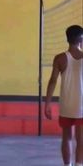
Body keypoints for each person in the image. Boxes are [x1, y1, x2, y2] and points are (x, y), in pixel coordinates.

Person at [45, 25, 83, 166]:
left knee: (66, 138)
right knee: (81, 140)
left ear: (67, 39)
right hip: (81, 106)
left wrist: (47, 103)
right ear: (81, 39)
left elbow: (52, 81)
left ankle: (67, 165)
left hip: (66, 105)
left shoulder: (60, 58)